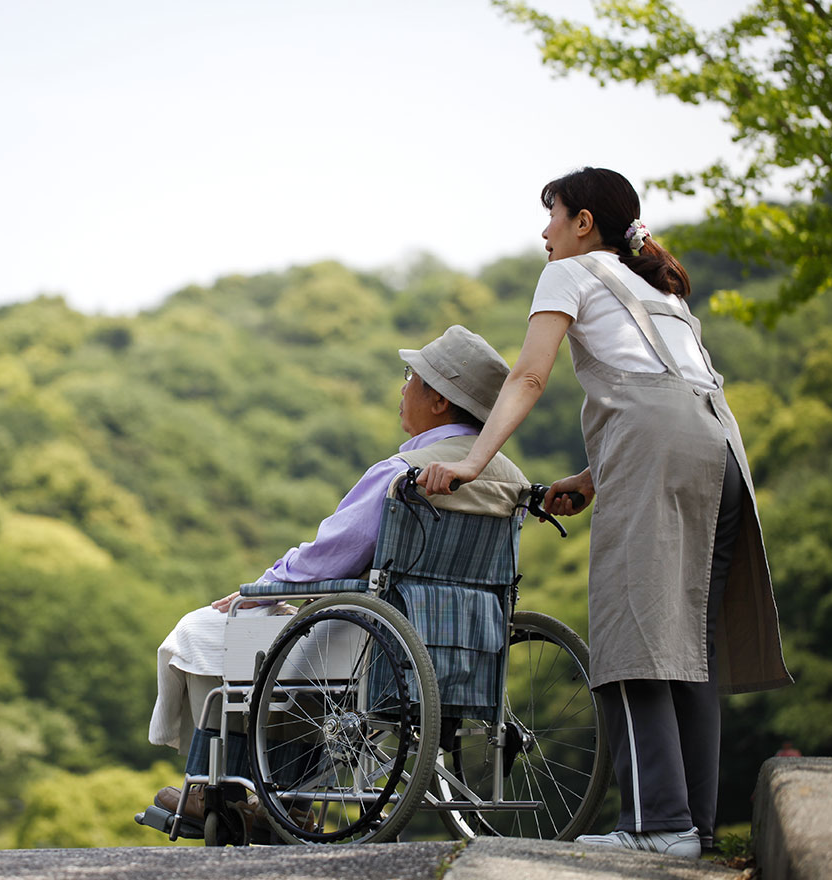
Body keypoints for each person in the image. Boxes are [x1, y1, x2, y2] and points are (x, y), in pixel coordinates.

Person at [415, 167, 791, 858]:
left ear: (583, 221)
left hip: (657, 449)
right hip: (720, 448)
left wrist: (471, 463)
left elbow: (530, 375)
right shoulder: (659, 287)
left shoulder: (571, 272)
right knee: (692, 643)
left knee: (633, 628)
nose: (544, 231)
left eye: (552, 214)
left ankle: (658, 825)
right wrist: (593, 476)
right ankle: (693, 826)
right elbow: (671, 389)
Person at [148, 325, 531, 821]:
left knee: (212, 630)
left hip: (380, 639)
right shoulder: (510, 479)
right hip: (467, 642)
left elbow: (328, 557)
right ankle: (287, 799)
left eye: (410, 376)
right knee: (290, 648)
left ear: (438, 400)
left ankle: (212, 789)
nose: (402, 387)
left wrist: (262, 590)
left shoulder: (405, 469)